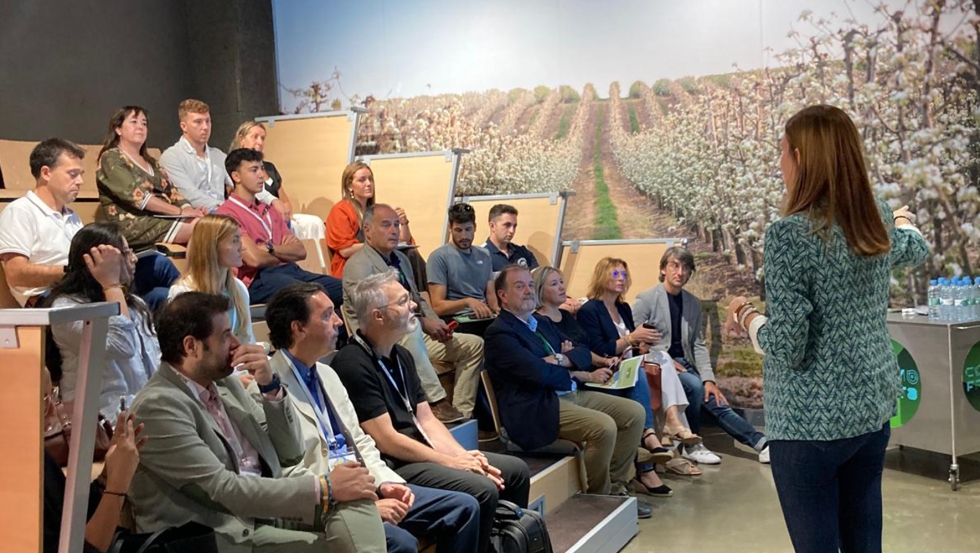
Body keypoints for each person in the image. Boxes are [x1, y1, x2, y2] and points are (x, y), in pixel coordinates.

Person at [723, 105, 929, 552]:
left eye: (781, 152)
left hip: (807, 426)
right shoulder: (874, 217)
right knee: (864, 542)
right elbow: (914, 249)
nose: (779, 162)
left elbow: (789, 345)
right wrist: (903, 221)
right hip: (871, 412)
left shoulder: (789, 235)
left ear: (800, 156)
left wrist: (747, 315)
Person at [129, 292, 387, 552]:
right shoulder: (159, 406)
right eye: (225, 335)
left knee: (357, 496)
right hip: (219, 533)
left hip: (266, 514)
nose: (236, 343)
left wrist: (269, 385)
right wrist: (325, 487)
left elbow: (289, 453)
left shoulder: (226, 383)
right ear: (191, 346)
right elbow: (224, 490)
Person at [263, 283, 480, 552]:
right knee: (402, 542)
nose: (339, 321)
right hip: (326, 499)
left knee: (463, 508)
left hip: (363, 485)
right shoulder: (268, 390)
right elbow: (286, 471)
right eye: (327, 314)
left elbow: (360, 441)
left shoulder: (327, 374)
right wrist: (359, 504)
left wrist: (386, 482)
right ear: (299, 328)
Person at [333, 270, 530, 553]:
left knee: (515, 471)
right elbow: (387, 439)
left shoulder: (402, 355)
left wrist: (462, 456)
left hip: (420, 452)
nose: (413, 305)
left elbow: (426, 418)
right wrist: (451, 463)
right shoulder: (353, 362)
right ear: (378, 316)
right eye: (402, 301)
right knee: (482, 489)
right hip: (395, 463)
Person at [484, 266, 654, 517]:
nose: (528, 291)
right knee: (603, 427)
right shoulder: (500, 332)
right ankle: (601, 497)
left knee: (634, 413)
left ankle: (617, 487)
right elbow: (538, 374)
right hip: (536, 406)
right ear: (503, 295)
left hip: (565, 392)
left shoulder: (537, 323)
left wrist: (561, 359)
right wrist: (561, 364)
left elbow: (583, 352)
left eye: (530, 285)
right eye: (519, 286)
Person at [534, 265, 687, 481]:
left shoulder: (569, 317)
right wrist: (586, 360)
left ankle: (648, 456)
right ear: (540, 290)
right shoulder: (544, 321)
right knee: (637, 383)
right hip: (579, 382)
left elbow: (585, 351)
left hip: (598, 370)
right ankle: (646, 459)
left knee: (647, 374)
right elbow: (569, 357)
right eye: (554, 284)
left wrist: (603, 359)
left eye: (562, 282)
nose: (562, 287)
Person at [0, 138, 179, 310]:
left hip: (85, 286)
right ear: (46, 173)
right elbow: (15, 274)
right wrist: (74, 271)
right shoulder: (20, 211)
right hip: (51, 297)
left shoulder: (72, 216)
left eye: (80, 175)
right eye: (73, 174)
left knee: (160, 289)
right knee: (160, 269)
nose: (80, 181)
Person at [343, 203, 482, 423]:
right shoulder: (358, 265)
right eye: (386, 225)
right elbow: (378, 314)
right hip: (384, 338)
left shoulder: (402, 260)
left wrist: (436, 323)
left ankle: (461, 414)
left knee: (473, 345)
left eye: (396, 225)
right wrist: (423, 321)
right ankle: (436, 402)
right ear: (367, 230)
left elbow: (418, 299)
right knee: (410, 328)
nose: (394, 230)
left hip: (413, 332)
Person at [633, 247, 767, 465]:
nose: (680, 272)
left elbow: (698, 345)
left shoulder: (692, 303)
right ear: (663, 269)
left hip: (686, 363)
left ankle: (760, 443)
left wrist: (709, 379)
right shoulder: (646, 299)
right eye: (674, 265)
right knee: (694, 387)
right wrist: (665, 360)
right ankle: (691, 443)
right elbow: (636, 342)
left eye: (686, 268)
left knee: (714, 398)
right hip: (659, 364)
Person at [576, 258, 705, 458]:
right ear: (602, 276)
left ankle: (673, 424)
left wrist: (642, 343)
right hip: (610, 368)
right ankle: (669, 435)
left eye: (624, 275)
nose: (621, 279)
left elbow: (633, 345)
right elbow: (599, 349)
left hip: (630, 362)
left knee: (662, 357)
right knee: (651, 371)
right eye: (616, 274)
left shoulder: (623, 308)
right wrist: (632, 338)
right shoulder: (590, 310)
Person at [47, 223, 160, 421]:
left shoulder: (135, 304)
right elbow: (122, 346)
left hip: (143, 411)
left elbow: (155, 362)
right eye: (124, 254)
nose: (134, 259)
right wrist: (111, 284)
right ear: (94, 263)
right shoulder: (66, 308)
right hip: (99, 422)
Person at [215, 148, 343, 308]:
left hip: (290, 270)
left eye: (261, 168)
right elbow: (254, 259)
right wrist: (284, 253)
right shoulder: (228, 212)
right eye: (254, 170)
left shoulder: (269, 209)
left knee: (346, 291)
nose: (261, 175)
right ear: (236, 176)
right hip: (258, 279)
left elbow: (300, 251)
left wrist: (268, 248)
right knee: (313, 299)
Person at [43, 364, 149, 553]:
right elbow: (81, 549)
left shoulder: (39, 457)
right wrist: (118, 486)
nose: (53, 411)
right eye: (43, 401)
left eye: (53, 396)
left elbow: (77, 516)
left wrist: (108, 474)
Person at [96, 105, 205, 250]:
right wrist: (180, 212)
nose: (140, 127)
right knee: (203, 227)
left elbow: (172, 192)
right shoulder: (111, 158)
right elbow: (138, 197)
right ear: (118, 129)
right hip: (131, 224)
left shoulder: (152, 163)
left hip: (162, 218)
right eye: (134, 122)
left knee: (212, 224)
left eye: (144, 123)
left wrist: (190, 209)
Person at [160, 99, 269, 212]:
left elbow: (246, 181)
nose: (205, 127)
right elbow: (190, 196)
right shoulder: (171, 156)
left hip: (225, 216)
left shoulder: (218, 155)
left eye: (208, 121)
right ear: (184, 126)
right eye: (198, 122)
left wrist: (272, 200)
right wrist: (232, 209)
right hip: (195, 217)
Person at [168, 214, 254, 344]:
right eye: (235, 240)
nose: (241, 247)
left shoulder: (239, 288)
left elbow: (248, 340)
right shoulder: (183, 293)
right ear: (213, 246)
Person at [326, 161, 417, 278]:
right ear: (349, 186)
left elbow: (403, 240)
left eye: (370, 179)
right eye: (362, 180)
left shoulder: (376, 210)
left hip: (380, 259)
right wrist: (380, 244)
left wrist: (403, 222)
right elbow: (346, 250)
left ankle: (417, 294)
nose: (368, 184)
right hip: (354, 265)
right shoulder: (340, 210)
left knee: (410, 254)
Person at [427, 202, 498, 336]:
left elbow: (491, 296)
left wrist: (499, 311)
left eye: (468, 229)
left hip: (484, 316)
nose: (464, 236)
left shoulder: (484, 254)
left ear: (475, 227)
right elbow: (437, 307)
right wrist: (467, 302)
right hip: (457, 319)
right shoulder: (439, 257)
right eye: (458, 230)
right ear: (450, 228)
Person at [484, 204, 538, 272]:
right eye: (507, 225)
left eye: (514, 226)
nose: (512, 231)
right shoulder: (482, 255)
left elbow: (538, 278)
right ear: (492, 226)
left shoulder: (523, 252)